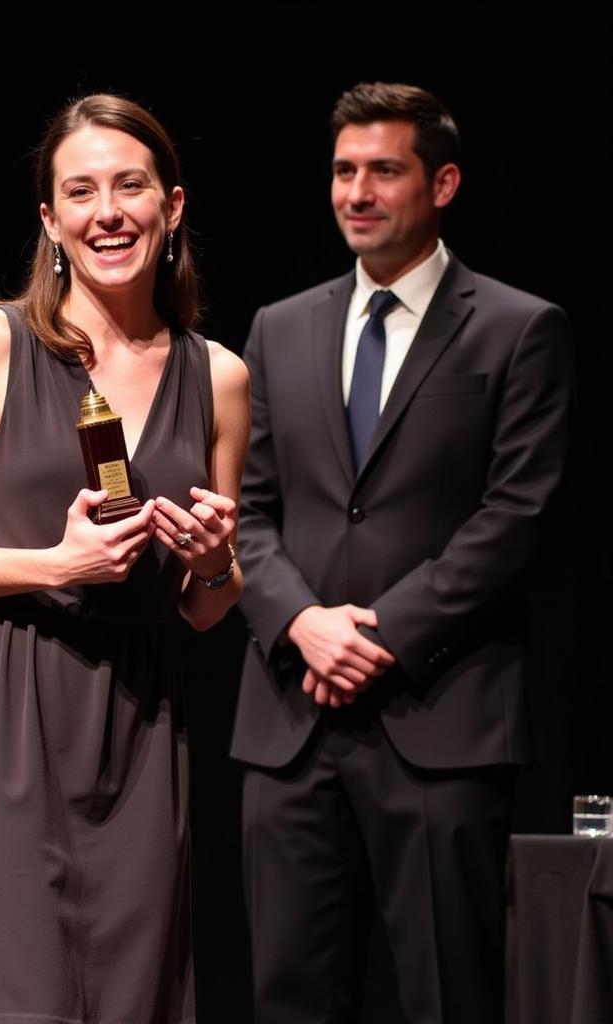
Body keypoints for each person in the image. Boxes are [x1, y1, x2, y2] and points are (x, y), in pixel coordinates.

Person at [0, 94, 249, 1024]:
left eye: (129, 187)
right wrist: (57, 562)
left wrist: (213, 564)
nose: (107, 212)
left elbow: (208, 608)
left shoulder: (220, 376)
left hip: (135, 731)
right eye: (79, 192)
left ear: (172, 207)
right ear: (50, 222)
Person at [233, 82, 572, 1023]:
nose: (358, 192)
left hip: (440, 715)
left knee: (448, 996)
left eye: (384, 169)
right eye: (344, 171)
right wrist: (303, 622)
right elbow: (249, 515)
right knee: (290, 997)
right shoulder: (280, 326)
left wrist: (378, 632)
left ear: (444, 182)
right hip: (289, 725)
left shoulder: (517, 328)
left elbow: (515, 516)